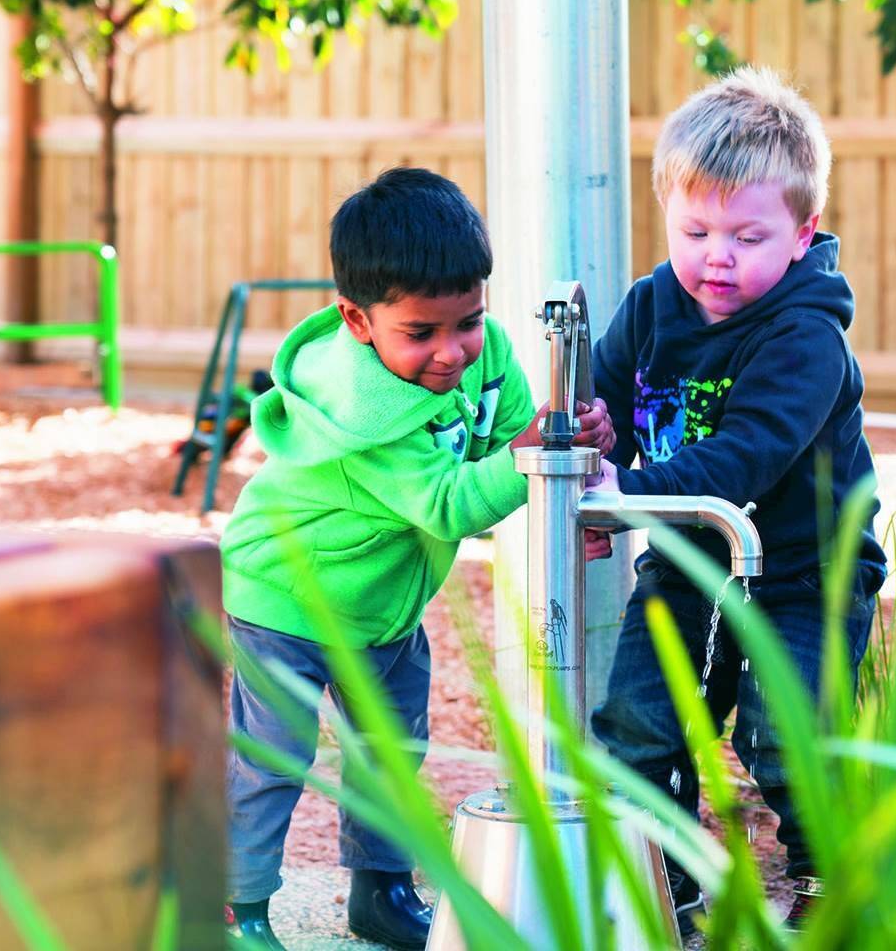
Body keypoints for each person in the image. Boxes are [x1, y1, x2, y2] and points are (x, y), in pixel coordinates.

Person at [219, 167, 612, 950]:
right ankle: (239, 909)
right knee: (274, 758)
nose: (451, 352)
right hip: (284, 598)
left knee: (392, 752)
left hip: (384, 605)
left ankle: (381, 891)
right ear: (357, 321)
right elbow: (450, 503)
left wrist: (563, 483)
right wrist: (531, 456)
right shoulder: (360, 409)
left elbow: (511, 446)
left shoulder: (487, 354)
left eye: (468, 321)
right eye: (420, 333)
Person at [587, 67, 887, 934]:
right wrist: (595, 444)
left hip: (806, 574)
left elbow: (743, 458)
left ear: (802, 233)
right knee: (638, 722)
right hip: (688, 558)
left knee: (784, 738)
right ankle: (661, 885)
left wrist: (625, 495)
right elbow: (610, 405)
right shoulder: (652, 307)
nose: (717, 255)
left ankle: (829, 887)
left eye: (748, 236)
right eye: (696, 231)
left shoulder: (807, 337)